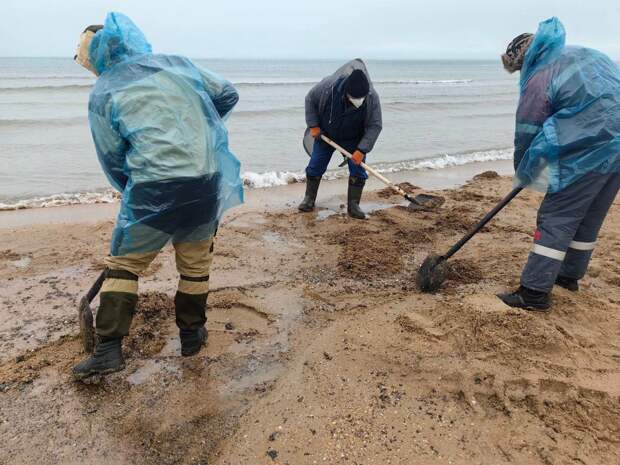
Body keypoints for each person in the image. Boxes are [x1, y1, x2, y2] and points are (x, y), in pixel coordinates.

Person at [72, 12, 243, 380]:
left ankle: (107, 351)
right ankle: (192, 337)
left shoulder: (104, 90)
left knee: (125, 264)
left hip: (155, 188)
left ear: (98, 56)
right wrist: (199, 127)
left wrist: (133, 191)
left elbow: (113, 156)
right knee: (195, 265)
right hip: (206, 180)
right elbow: (227, 93)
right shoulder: (177, 64)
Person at [497, 17, 620, 312]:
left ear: (523, 59)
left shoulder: (539, 75)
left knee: (557, 217)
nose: (519, 75)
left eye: (517, 70)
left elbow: (527, 130)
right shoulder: (585, 54)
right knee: (589, 215)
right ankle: (568, 278)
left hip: (590, 150)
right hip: (617, 147)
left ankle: (534, 293)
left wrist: (524, 171)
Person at [299, 59, 382, 219]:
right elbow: (310, 99)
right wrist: (313, 125)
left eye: (361, 97)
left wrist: (361, 149)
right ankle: (309, 199)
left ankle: (354, 205)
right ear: (346, 92)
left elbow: (375, 126)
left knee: (358, 170)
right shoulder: (328, 87)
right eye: (355, 97)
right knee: (315, 165)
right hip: (326, 135)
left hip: (354, 139)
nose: (359, 100)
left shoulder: (371, 97)